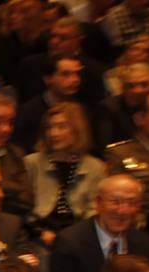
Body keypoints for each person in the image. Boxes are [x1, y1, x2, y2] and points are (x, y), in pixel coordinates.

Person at [25, 102, 107, 244]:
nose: (53, 133)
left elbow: (94, 210)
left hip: (79, 236)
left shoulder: (95, 167)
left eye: (61, 127)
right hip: (36, 233)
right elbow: (23, 206)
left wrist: (73, 237)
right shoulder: (32, 163)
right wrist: (40, 232)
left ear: (78, 130)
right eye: (49, 128)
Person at [13, 54, 97, 158]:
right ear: (48, 79)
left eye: (77, 74)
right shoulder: (28, 112)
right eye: (66, 74)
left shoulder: (86, 109)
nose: (75, 80)